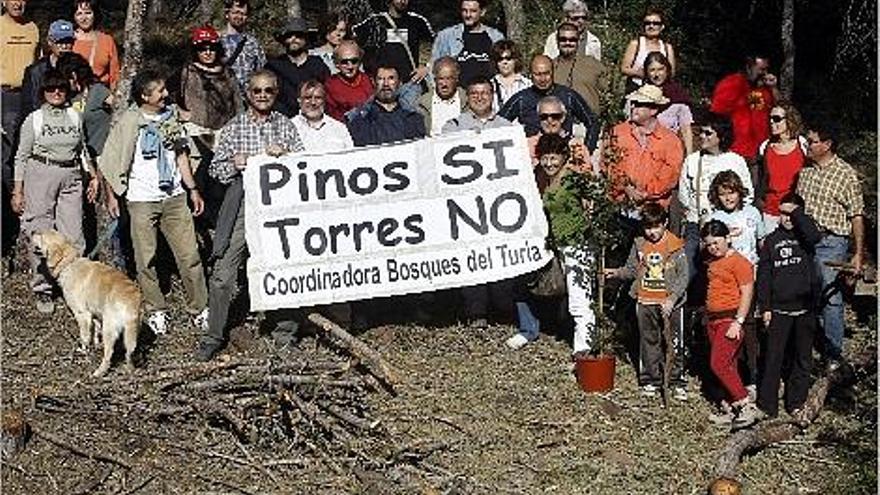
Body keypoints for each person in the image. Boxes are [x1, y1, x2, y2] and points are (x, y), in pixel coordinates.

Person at [195, 70, 304, 361]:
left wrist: (287, 157)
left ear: (276, 92)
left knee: (284, 264)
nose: (263, 95)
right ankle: (214, 335)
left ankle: (285, 332)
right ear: (248, 93)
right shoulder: (234, 127)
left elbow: (305, 164)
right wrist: (234, 162)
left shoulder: (286, 126)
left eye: (269, 90)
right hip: (243, 200)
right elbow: (216, 170)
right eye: (257, 91)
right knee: (223, 272)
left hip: (278, 203)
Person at [99, 70, 208, 336]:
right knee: (145, 259)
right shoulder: (129, 122)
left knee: (190, 255)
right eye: (159, 91)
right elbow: (111, 161)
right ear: (145, 96)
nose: (166, 95)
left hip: (174, 198)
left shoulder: (171, 118)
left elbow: (182, 155)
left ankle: (200, 307)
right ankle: (156, 308)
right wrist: (112, 196)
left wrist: (192, 189)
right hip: (141, 200)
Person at [11, 70, 98, 313]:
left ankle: (76, 285)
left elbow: (82, 149)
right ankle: (43, 289)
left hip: (71, 176)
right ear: (43, 93)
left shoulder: (74, 116)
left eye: (61, 88)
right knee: (40, 234)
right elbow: (21, 156)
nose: (56, 92)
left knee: (74, 235)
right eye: (51, 89)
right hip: (41, 174)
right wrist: (18, 191)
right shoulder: (34, 119)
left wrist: (92, 174)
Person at [506, 134, 594, 354]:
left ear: (564, 157)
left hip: (576, 244)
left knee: (579, 298)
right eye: (545, 158)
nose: (549, 163)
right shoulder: (543, 179)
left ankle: (585, 347)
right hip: (556, 245)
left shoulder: (573, 178)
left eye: (554, 158)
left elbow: (594, 198)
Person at [442, 76, 514, 327]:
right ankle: (476, 312)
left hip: (498, 203)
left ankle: (504, 310)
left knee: (499, 254)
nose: (480, 97)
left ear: (492, 95)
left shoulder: (507, 127)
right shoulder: (453, 126)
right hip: (467, 204)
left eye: (485, 93)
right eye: (474, 93)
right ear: (467, 97)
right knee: (472, 256)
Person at [796, 123, 865, 365]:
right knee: (806, 294)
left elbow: (856, 215)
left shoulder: (845, 174)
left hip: (831, 242)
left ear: (827, 145)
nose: (808, 145)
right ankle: (807, 347)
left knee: (830, 296)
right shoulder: (805, 171)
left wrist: (857, 253)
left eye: (812, 141)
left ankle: (833, 353)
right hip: (805, 241)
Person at [605, 202, 688, 400]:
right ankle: (651, 379)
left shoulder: (675, 245)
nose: (652, 232)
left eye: (656, 226)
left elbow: (683, 276)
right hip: (645, 299)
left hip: (670, 303)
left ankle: (676, 380)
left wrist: (672, 298)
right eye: (648, 227)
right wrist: (615, 273)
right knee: (649, 341)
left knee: (675, 342)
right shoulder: (639, 244)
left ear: (665, 223)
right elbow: (632, 269)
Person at [756, 192, 821, 420]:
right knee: (772, 358)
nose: (787, 218)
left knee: (802, 359)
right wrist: (765, 307)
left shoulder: (807, 238)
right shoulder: (771, 241)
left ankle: (796, 402)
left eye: (792, 213)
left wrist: (799, 215)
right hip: (779, 310)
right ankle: (767, 406)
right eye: (783, 213)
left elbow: (814, 237)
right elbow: (764, 277)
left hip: (805, 309)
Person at [708, 170, 765, 395]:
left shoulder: (753, 213)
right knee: (730, 332)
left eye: (731, 192)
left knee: (750, 329)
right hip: (727, 282)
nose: (728, 198)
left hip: (751, 276)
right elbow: (710, 249)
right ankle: (733, 378)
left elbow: (761, 243)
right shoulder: (716, 217)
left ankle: (753, 377)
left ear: (739, 192)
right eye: (723, 194)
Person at [179, 26, 243, 223]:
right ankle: (200, 225)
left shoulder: (227, 72)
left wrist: (239, 126)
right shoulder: (188, 71)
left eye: (211, 48)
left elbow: (237, 101)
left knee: (221, 183)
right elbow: (172, 96)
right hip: (197, 132)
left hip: (224, 132)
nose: (207, 52)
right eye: (202, 48)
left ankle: (219, 224)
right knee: (199, 180)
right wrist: (180, 112)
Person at [701, 219, 762, 427]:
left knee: (718, 363)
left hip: (730, 319)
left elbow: (747, 293)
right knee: (729, 365)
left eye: (717, 242)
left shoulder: (740, 263)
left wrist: (739, 321)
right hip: (713, 320)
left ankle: (746, 405)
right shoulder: (712, 261)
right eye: (709, 244)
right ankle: (733, 408)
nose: (713, 247)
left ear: (728, 238)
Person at [678, 116, 753, 280]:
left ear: (721, 137)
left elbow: (747, 194)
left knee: (725, 270)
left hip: (726, 225)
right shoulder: (692, 160)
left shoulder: (735, 161)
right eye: (701, 132)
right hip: (696, 223)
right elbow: (683, 194)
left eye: (708, 133)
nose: (702, 136)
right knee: (687, 266)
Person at [1, 0, 40, 263]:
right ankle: (7, 225)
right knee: (4, 161)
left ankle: (26, 218)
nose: (18, 2)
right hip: (3, 96)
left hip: (29, 97)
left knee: (26, 156)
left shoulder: (33, 28)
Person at [604, 85, 683, 213]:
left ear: (653, 110)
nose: (634, 108)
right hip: (618, 203)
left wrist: (645, 193)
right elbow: (608, 163)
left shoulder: (671, 141)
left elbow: (670, 174)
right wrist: (625, 187)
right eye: (634, 103)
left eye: (640, 105)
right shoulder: (618, 132)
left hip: (653, 211)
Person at [499, 55, 598, 149]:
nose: (542, 79)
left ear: (553, 72)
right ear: (530, 75)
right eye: (537, 74)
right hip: (533, 156)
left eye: (546, 73)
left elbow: (592, 122)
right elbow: (497, 124)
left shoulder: (568, 96)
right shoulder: (521, 99)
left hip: (564, 155)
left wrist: (587, 150)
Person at [351, 0, 433, 110]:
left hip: (409, 84)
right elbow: (353, 41)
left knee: (408, 120)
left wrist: (425, 66)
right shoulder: (375, 21)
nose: (402, 1)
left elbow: (433, 46)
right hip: (380, 85)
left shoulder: (418, 21)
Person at [710, 55, 780, 161]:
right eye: (761, 69)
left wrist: (774, 88)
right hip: (735, 151)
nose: (764, 74)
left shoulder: (766, 89)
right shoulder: (731, 83)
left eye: (766, 69)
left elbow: (782, 109)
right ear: (748, 67)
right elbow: (716, 116)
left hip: (761, 151)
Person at [756, 102, 807, 232]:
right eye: (770, 118)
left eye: (777, 119)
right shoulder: (765, 147)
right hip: (771, 211)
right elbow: (761, 179)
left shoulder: (802, 145)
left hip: (796, 210)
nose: (772, 122)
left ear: (789, 120)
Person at [347, 64, 426, 146]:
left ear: (399, 83)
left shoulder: (413, 117)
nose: (386, 84)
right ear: (373, 82)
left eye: (391, 78)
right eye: (380, 79)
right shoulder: (360, 119)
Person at [266, 18, 330, 118]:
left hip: (313, 119)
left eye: (298, 35)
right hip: (283, 120)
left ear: (306, 38)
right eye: (289, 36)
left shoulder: (318, 64)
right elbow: (269, 96)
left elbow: (327, 94)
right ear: (283, 39)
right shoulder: (274, 66)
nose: (294, 39)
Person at [431, 0, 504, 87]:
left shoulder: (496, 37)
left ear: (482, 12)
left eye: (473, 11)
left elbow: (504, 68)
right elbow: (434, 68)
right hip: (458, 95)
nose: (468, 15)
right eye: (464, 10)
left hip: (487, 94)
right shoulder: (446, 36)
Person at [21, 20, 75, 121]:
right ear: (50, 41)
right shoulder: (34, 71)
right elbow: (27, 106)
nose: (64, 47)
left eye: (68, 42)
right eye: (59, 42)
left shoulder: (79, 69)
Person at [642, 51, 692, 154]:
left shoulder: (678, 95)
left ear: (667, 70)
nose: (656, 74)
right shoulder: (639, 96)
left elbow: (686, 131)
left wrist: (690, 159)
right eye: (652, 70)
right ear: (646, 72)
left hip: (669, 151)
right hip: (643, 152)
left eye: (661, 69)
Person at [551, 21, 606, 116]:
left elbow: (606, 94)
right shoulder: (549, 66)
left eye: (572, 39)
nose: (567, 43)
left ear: (578, 41)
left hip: (587, 124)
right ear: (557, 41)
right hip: (557, 123)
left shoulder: (593, 64)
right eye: (563, 39)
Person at [620, 8, 677, 94]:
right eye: (647, 23)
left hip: (661, 92)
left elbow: (671, 73)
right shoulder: (636, 44)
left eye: (656, 23)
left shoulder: (667, 48)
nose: (651, 26)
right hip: (636, 89)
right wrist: (641, 73)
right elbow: (624, 68)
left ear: (662, 27)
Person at [220, 0, 266, 95]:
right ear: (227, 14)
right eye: (236, 12)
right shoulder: (217, 41)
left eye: (243, 14)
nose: (239, 17)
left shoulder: (253, 43)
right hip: (222, 97)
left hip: (247, 98)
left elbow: (261, 71)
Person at [292, 80, 354, 151]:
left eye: (318, 98)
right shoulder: (289, 128)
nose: (313, 102)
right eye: (308, 98)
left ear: (324, 101)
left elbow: (351, 157)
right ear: (299, 100)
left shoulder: (339, 128)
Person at [72, 0, 120, 90]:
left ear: (95, 14)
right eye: (79, 14)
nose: (84, 18)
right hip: (74, 94)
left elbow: (115, 74)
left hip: (101, 93)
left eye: (88, 13)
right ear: (74, 17)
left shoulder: (107, 41)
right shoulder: (68, 41)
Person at [325, 40, 374, 122]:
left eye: (354, 61)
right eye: (344, 62)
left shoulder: (369, 80)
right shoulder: (330, 85)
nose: (350, 66)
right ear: (337, 64)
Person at [416, 57, 466, 136]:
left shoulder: (467, 100)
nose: (444, 84)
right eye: (441, 79)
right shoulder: (422, 104)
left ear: (456, 79)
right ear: (435, 80)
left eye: (449, 78)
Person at [489, 40, 529, 112]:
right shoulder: (490, 86)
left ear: (515, 60)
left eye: (508, 58)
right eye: (500, 59)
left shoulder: (527, 84)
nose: (505, 62)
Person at [310, 11, 348, 75]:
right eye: (333, 29)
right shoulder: (313, 54)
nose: (338, 34)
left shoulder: (350, 53)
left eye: (342, 30)